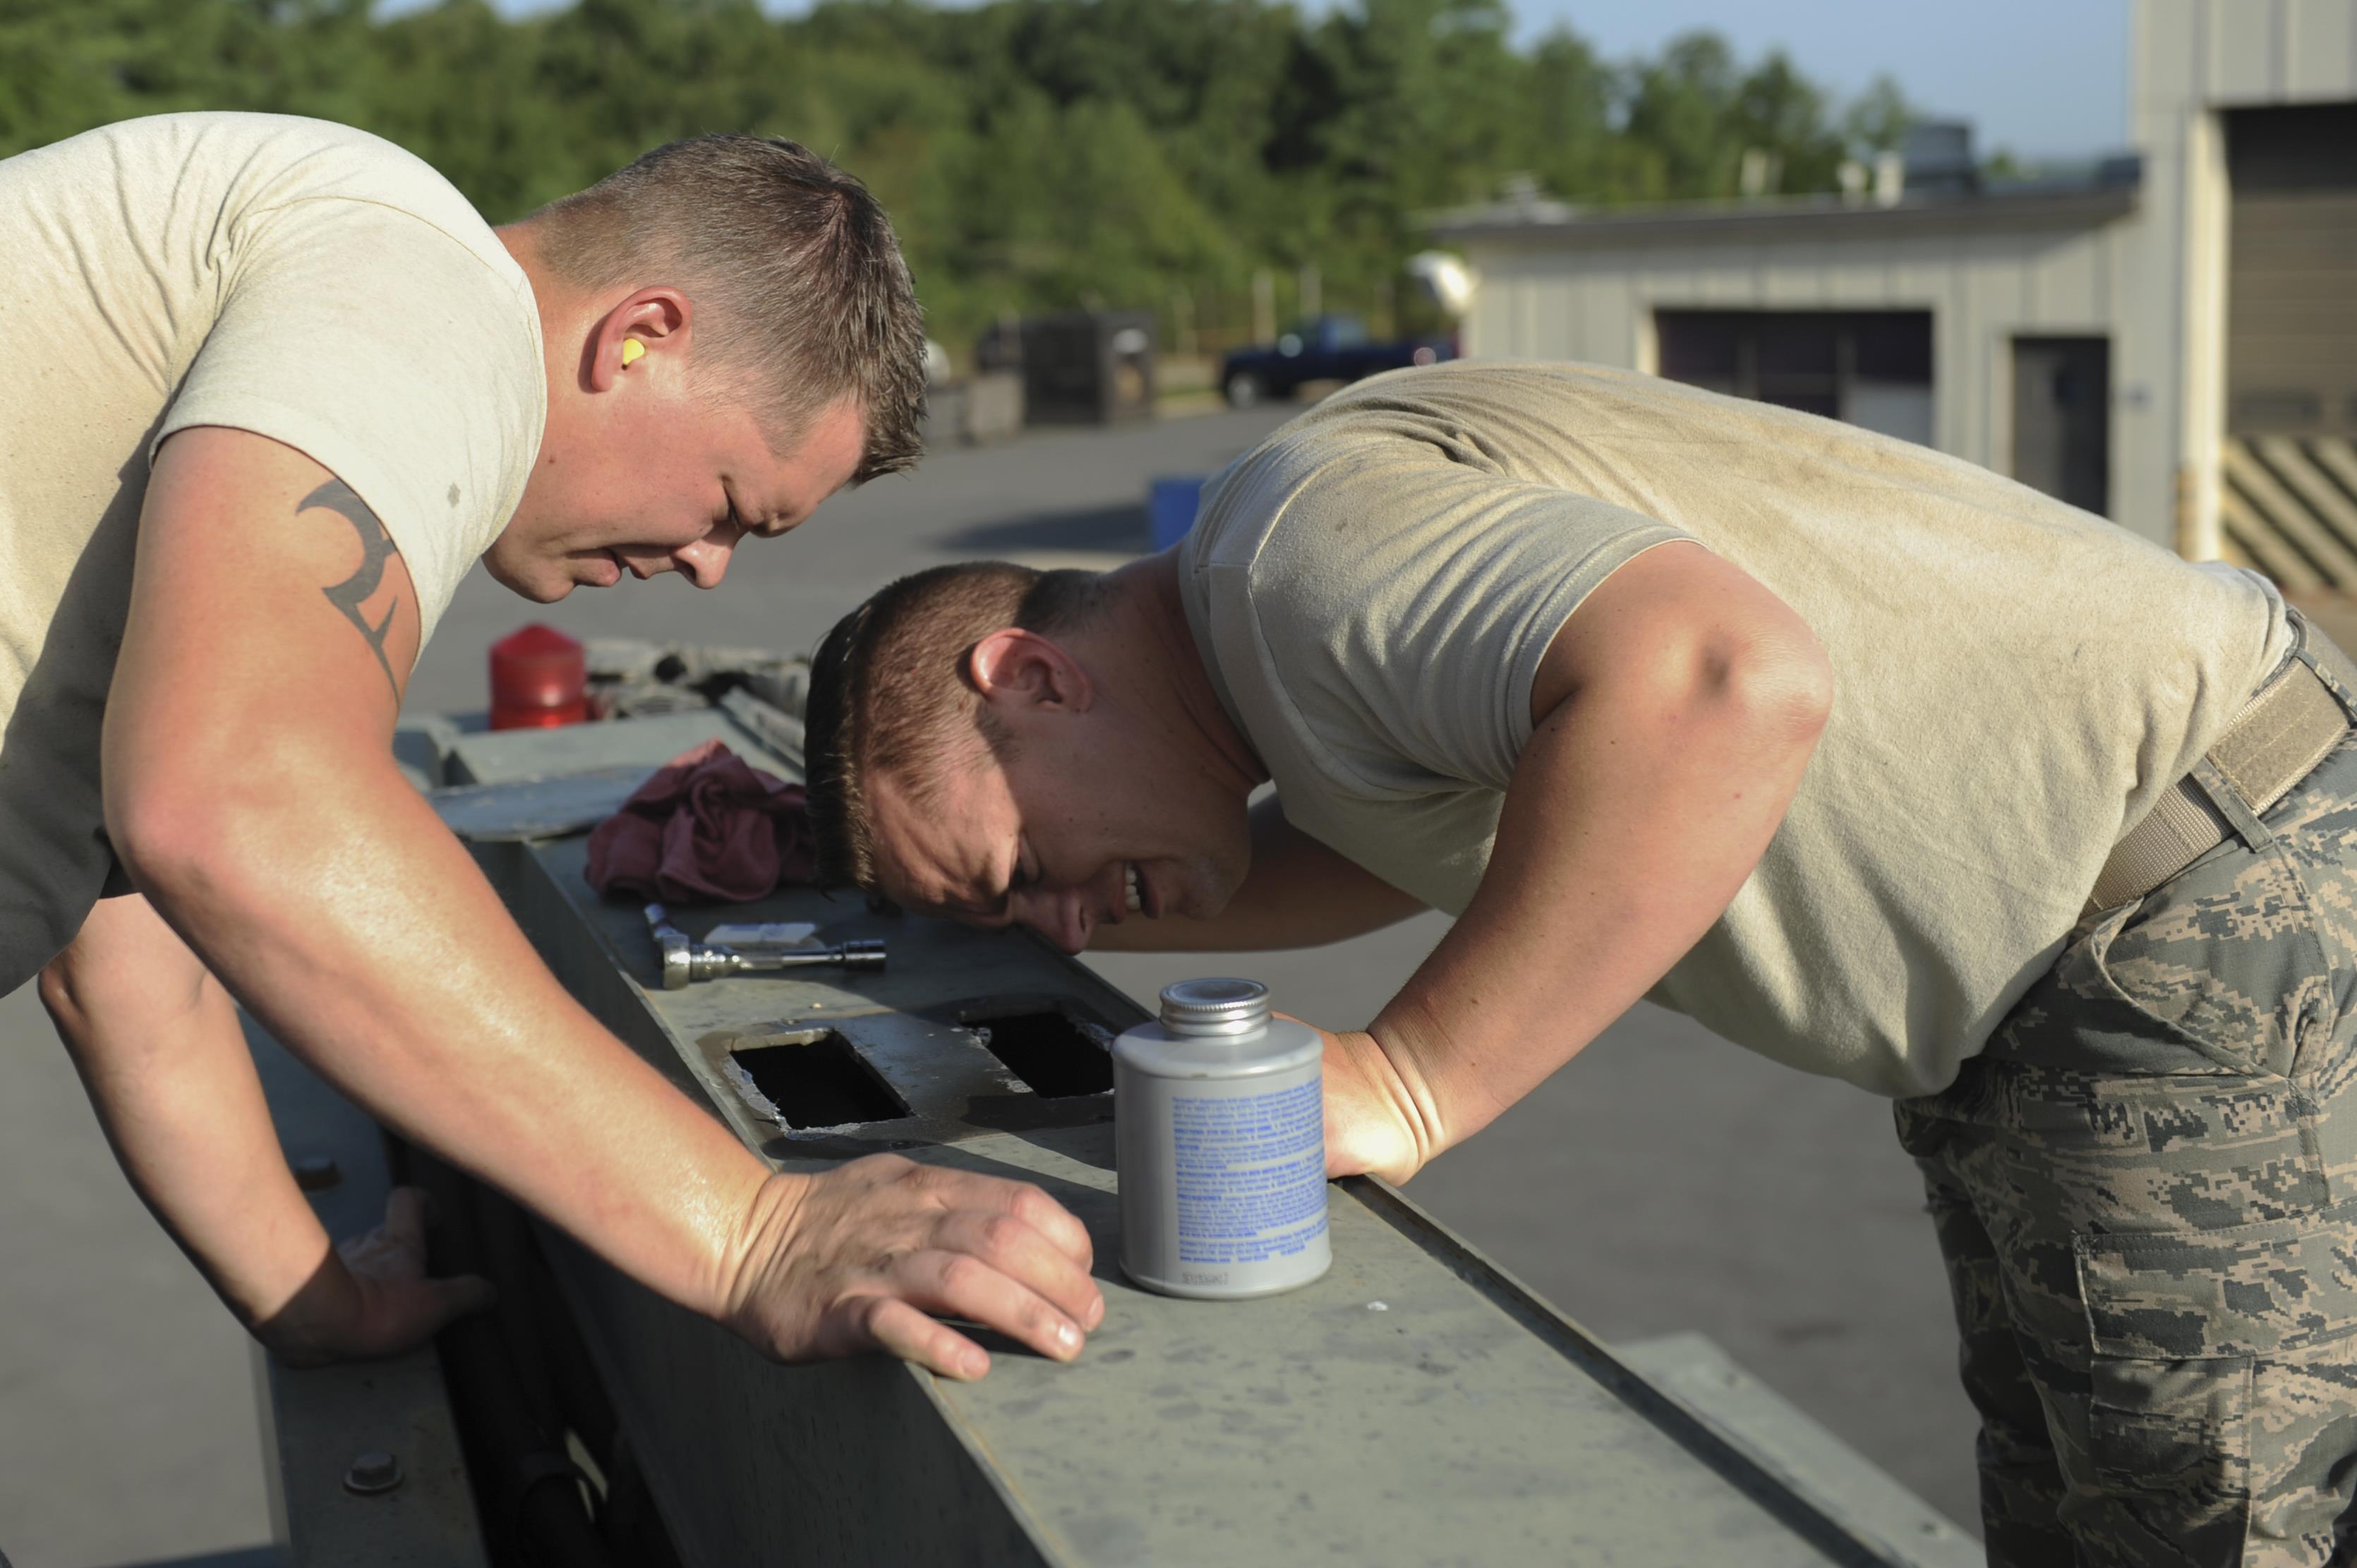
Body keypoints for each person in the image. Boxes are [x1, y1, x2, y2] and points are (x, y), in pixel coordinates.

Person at [801, 359, 2357, 1565]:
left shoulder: (1291, 561)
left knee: (2205, 1519)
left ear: (1030, 675)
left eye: (1019, 876)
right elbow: (1383, 853)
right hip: (2083, 962)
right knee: (2090, 1504)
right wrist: (808, 850)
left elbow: (1718, 683)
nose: (1073, 922)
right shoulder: (1291, 653)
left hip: (2186, 899)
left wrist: (1411, 1079)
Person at [4, 111, 1100, 1386]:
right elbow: (236, 803)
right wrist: (752, 1229)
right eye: (734, 505)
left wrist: (316, 1304)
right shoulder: (421, 284)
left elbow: (126, 949)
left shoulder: (339, 324)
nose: (705, 567)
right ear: (641, 335)